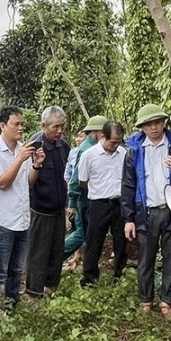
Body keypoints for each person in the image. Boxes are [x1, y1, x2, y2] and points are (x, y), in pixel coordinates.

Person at [121, 103, 171, 319]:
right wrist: (128, 218)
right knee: (145, 259)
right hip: (146, 211)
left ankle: (168, 301)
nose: (153, 128)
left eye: (157, 122)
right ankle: (145, 300)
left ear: (164, 122)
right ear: (142, 127)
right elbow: (128, 186)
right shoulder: (134, 150)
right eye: (148, 124)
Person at [0, 106, 44, 335]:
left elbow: (28, 183)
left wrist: (36, 164)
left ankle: (12, 311)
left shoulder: (22, 150)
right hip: (1, 222)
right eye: (16, 124)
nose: (21, 128)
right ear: (2, 126)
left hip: (21, 220)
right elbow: (3, 183)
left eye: (22, 124)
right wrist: (20, 158)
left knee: (16, 270)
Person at [25, 106, 70, 298]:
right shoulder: (34, 145)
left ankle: (51, 287)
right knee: (38, 252)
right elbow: (27, 179)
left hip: (59, 208)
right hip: (40, 209)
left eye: (62, 126)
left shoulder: (63, 145)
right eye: (55, 127)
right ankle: (34, 291)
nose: (59, 131)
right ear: (43, 125)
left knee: (56, 250)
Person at [79, 120, 127, 286]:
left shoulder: (123, 153)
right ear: (102, 137)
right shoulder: (89, 156)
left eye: (118, 142)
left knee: (121, 241)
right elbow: (83, 181)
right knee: (94, 242)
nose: (116, 145)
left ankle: (120, 276)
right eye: (113, 142)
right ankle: (89, 278)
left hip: (119, 203)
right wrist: (99, 190)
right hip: (98, 204)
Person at [63, 115, 107, 270]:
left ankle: (88, 267)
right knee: (82, 233)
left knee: (88, 234)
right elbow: (75, 179)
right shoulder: (88, 150)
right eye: (103, 133)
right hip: (84, 200)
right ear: (95, 133)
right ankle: (54, 257)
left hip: (88, 199)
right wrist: (72, 203)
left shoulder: (93, 147)